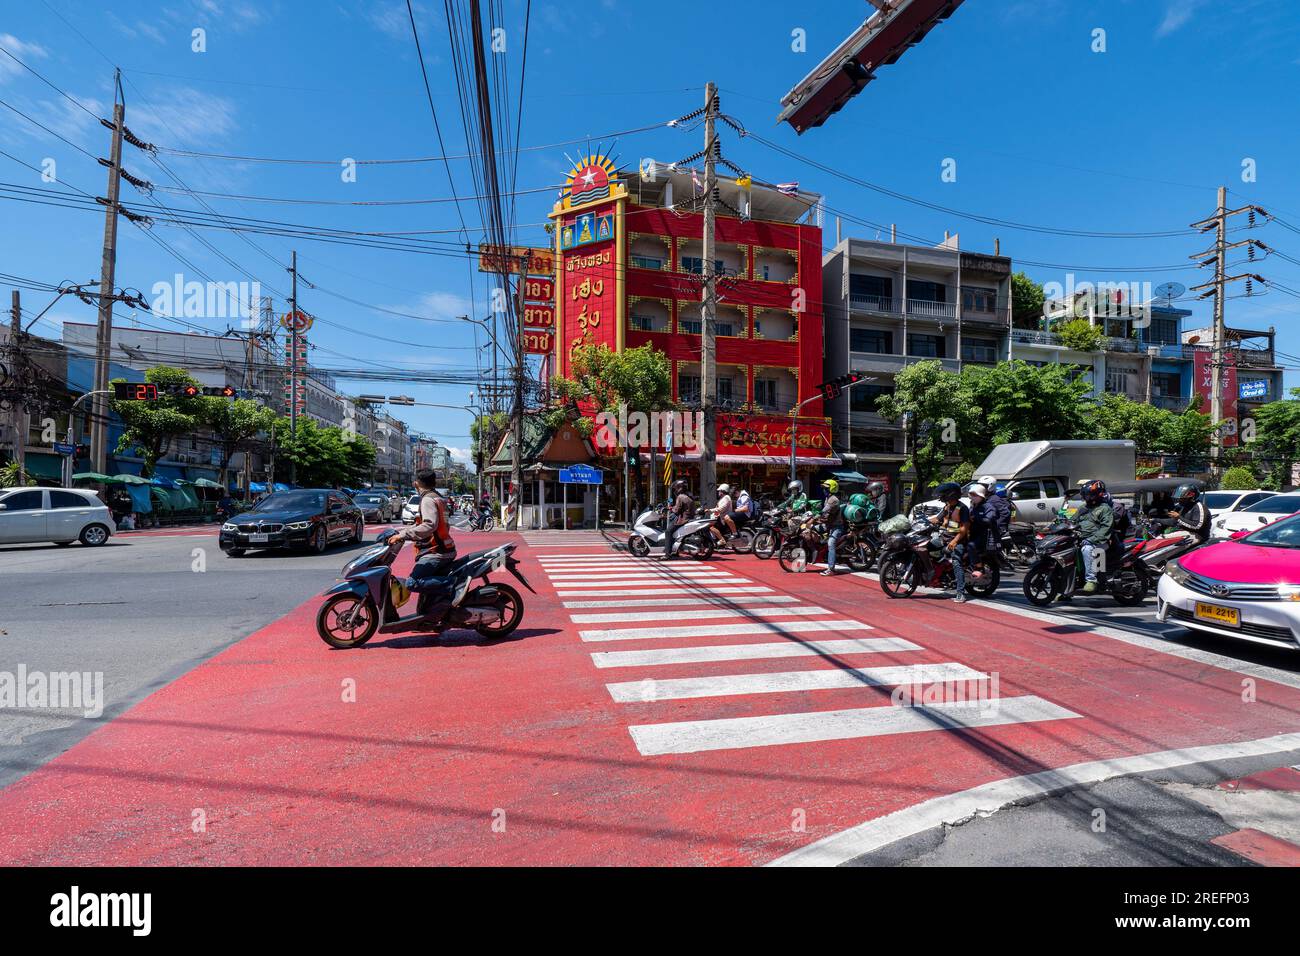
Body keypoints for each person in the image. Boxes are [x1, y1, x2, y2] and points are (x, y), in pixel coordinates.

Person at [397, 469, 457, 616]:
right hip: (444, 547)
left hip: (437, 551)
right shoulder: (438, 497)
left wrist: (404, 535)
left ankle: (451, 584)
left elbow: (429, 525)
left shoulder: (427, 499)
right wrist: (401, 532)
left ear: (416, 483)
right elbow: (423, 523)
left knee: (412, 583)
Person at [931, 481, 972, 602]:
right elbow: (936, 519)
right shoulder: (947, 506)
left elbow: (965, 528)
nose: (941, 497)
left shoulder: (962, 509)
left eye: (943, 494)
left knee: (956, 562)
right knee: (926, 547)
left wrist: (954, 541)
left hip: (958, 540)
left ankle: (960, 593)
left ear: (951, 495)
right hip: (944, 538)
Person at [1077, 479, 1114, 594]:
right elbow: (1072, 520)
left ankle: (1091, 580)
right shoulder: (1083, 508)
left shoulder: (1105, 509)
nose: (1087, 498)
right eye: (1085, 495)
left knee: (1087, 549)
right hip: (1083, 539)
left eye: (1089, 495)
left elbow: (1106, 529)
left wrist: (1091, 540)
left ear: (1097, 494)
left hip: (1101, 541)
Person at [966, 483, 998, 577]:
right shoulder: (973, 506)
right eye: (971, 495)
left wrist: (976, 519)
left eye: (975, 495)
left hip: (983, 534)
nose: (972, 497)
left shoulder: (988, 507)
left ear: (981, 496)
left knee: (971, 545)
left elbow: (989, 519)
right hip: (972, 532)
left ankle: (979, 567)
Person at [818, 478, 844, 576]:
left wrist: (816, 514)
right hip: (829, 524)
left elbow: (825, 510)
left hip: (836, 526)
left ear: (832, 489)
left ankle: (831, 569)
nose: (824, 490)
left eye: (826, 488)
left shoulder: (833, 499)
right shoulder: (828, 498)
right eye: (824, 488)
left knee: (831, 543)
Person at [662, 479, 693, 559]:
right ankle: (675, 551)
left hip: (683, 519)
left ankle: (667, 554)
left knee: (668, 532)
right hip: (690, 518)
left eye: (676, 488)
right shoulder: (689, 495)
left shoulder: (680, 497)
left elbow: (677, 510)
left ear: (679, 488)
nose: (675, 490)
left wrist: (670, 508)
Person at [978, 475, 1011, 544]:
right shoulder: (984, 498)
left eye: (983, 486)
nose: (981, 488)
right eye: (980, 486)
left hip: (994, 529)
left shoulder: (994, 499)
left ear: (990, 487)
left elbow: (1005, 513)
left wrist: (997, 526)